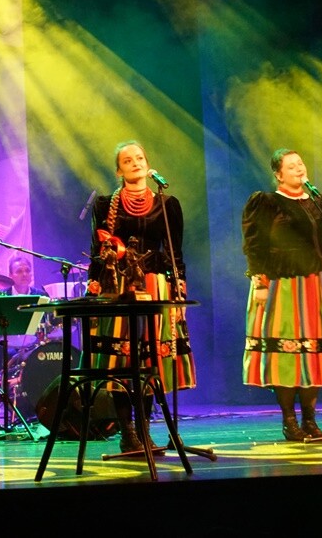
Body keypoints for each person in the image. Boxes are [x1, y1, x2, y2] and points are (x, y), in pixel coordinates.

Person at [85, 140, 196, 453]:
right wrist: (94, 287)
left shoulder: (167, 203)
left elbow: (175, 252)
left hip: (154, 286)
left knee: (149, 359)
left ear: (148, 165)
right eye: (127, 160)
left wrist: (179, 288)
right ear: (118, 171)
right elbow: (97, 250)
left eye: (140, 158)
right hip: (118, 287)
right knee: (121, 357)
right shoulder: (105, 205)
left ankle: (145, 430)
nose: (135, 163)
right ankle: (127, 432)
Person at [241, 148, 322, 441]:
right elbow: (255, 244)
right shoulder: (266, 203)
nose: (298, 169)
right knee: (288, 356)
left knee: (314, 354)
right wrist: (260, 281)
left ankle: (310, 420)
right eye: (291, 166)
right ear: (278, 174)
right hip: (283, 285)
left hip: (320, 284)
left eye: (300, 164)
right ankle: (289, 420)